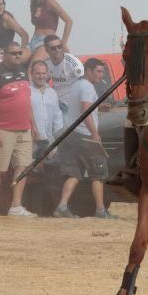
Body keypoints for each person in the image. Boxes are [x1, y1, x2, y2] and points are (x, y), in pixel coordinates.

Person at [0, 41, 37, 217]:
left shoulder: (22, 72)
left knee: (23, 166)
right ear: (5, 55)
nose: (17, 56)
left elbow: (27, 101)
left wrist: (33, 125)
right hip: (3, 129)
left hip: (24, 129)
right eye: (13, 53)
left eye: (19, 53)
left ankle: (16, 206)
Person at [54, 58, 115, 219]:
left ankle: (62, 206)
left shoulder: (77, 85)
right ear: (88, 70)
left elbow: (82, 106)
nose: (101, 75)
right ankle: (101, 210)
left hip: (71, 134)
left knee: (74, 173)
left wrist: (99, 107)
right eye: (98, 71)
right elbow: (85, 111)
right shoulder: (88, 87)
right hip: (85, 136)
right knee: (98, 172)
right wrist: (94, 134)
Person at [27, 0, 74, 64]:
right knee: (18, 60)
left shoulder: (50, 1)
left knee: (34, 66)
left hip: (46, 42)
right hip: (34, 40)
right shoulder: (33, 5)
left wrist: (63, 43)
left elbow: (69, 20)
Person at [43, 35, 84, 125]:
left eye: (59, 46)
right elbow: (41, 84)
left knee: (65, 129)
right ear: (46, 49)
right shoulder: (46, 63)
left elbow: (85, 84)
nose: (57, 50)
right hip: (57, 102)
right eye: (53, 48)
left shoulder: (72, 62)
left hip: (73, 103)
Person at [29, 60, 63, 156]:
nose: (41, 76)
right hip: (31, 140)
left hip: (49, 140)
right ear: (31, 74)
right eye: (38, 74)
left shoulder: (52, 93)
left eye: (44, 73)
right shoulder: (26, 91)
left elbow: (57, 116)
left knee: (50, 168)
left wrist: (58, 136)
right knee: (30, 168)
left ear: (47, 74)